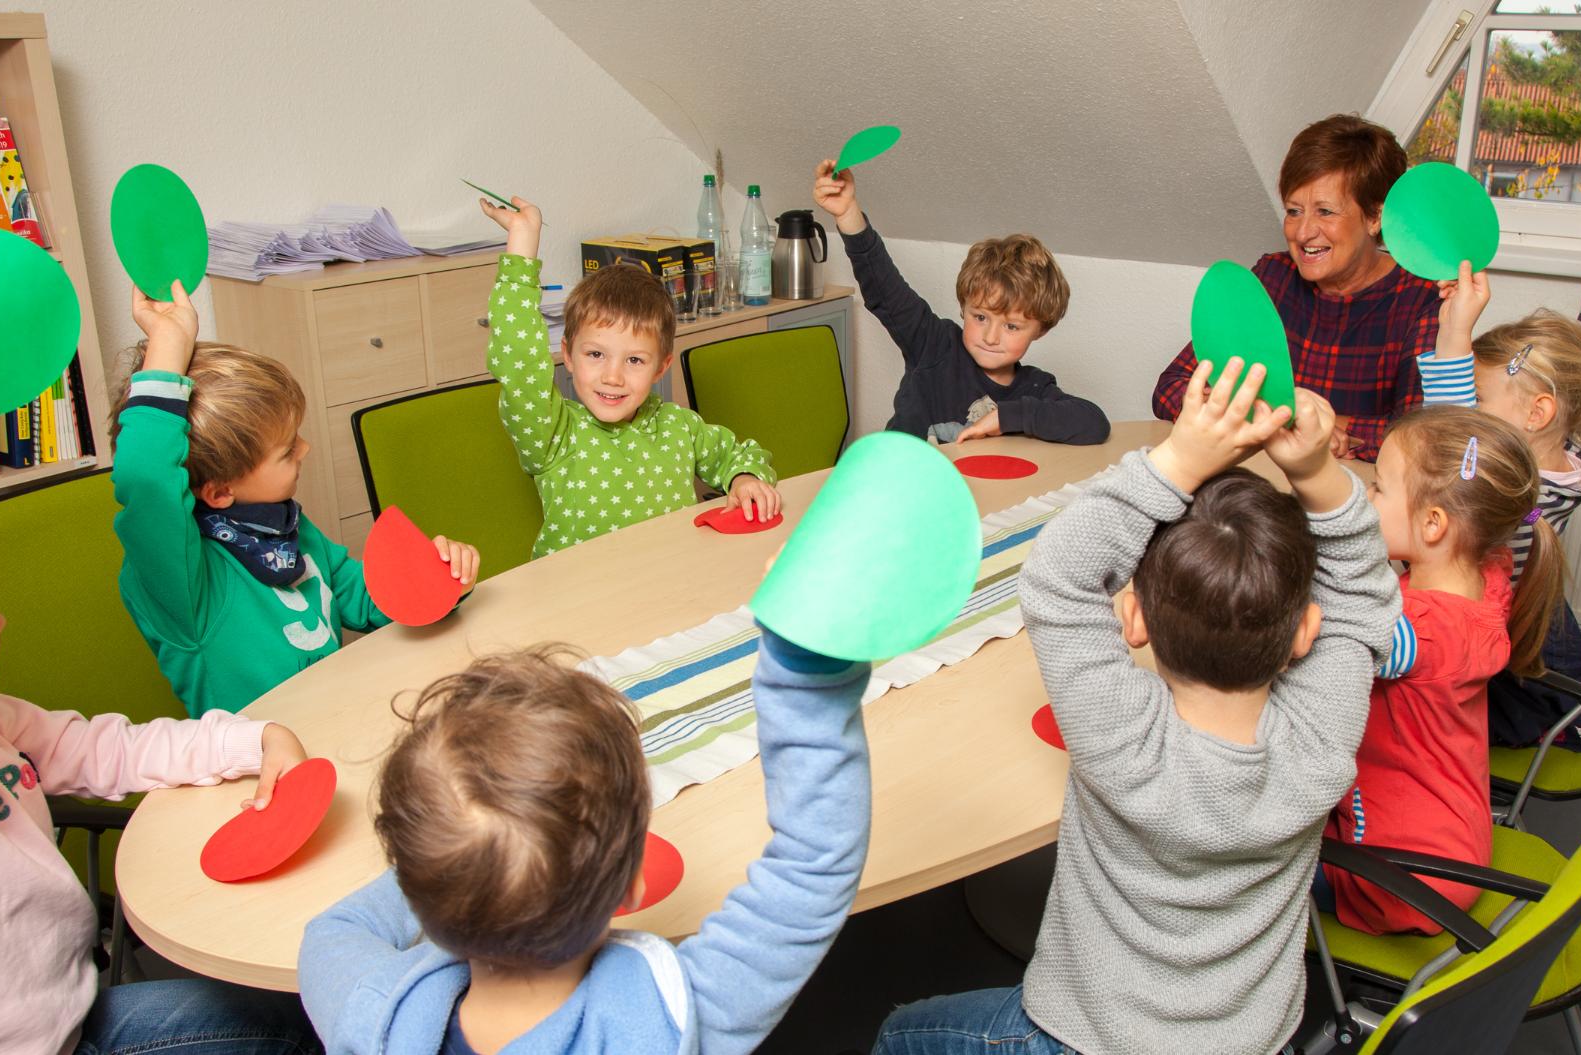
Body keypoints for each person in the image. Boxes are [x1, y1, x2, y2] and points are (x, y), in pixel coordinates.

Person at [873, 361, 1398, 1054]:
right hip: (1255, 1043)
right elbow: (1363, 596)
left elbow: (1058, 574)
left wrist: (1179, 457)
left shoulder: (1121, 737)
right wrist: (1317, 473)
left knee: (893, 1033)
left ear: (1133, 618)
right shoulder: (1320, 744)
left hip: (1083, 1040)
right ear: (1305, 629)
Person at [0, 359, 318, 1055]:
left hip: (81, 1021)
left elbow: (112, 748)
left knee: (316, 1014)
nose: (1, 624)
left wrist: (255, 741)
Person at [299, 627, 872, 1053]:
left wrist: (457, 850)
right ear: (633, 886)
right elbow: (811, 868)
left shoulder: (371, 1014)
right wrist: (805, 664)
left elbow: (332, 933)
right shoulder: (670, 1022)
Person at [111, 281, 479, 716]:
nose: (304, 450)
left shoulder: (281, 524)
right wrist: (169, 344)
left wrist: (436, 580)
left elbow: (365, 598)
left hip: (339, 727)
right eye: (287, 450)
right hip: (261, 768)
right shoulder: (184, 583)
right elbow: (145, 478)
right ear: (220, 490)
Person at [1416, 163, 1581, 749]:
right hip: (1548, 640)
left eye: (1481, 400)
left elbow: (1449, 437)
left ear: (1537, 413)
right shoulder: (1571, 449)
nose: (1471, 411)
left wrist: (1454, 332)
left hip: (1521, 679)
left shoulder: (1515, 488)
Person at [1321, 407, 1563, 934]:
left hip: (1395, 875)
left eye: (1378, 488)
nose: (1367, 497)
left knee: (1230, 867)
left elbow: (1337, 626)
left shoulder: (1417, 636)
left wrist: (1314, 484)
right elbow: (1466, 469)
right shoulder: (1484, 571)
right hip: (1449, 843)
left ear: (1434, 524)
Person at [478, 197, 782, 557]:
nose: (613, 376)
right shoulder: (554, 434)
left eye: (635, 360)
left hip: (667, 591)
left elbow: (738, 455)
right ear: (568, 355)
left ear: (661, 367)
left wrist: (744, 479)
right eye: (595, 354)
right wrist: (522, 248)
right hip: (580, 602)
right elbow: (519, 364)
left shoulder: (678, 426)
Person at [1152, 114, 1442, 461]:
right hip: (1257, 482)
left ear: (1374, 217)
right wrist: (1290, 423)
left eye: (1325, 212)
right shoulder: (1272, 276)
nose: (1302, 233)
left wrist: (1292, 422)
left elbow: (1422, 437)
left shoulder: (1423, 298)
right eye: (1293, 210)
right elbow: (1172, 388)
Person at [811, 160, 1110, 445]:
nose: (991, 337)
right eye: (980, 317)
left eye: (1011, 326)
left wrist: (1008, 418)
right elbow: (883, 287)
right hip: (901, 486)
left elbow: (1095, 423)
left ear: (1040, 329)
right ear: (964, 307)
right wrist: (849, 214)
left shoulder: (1034, 388)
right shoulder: (933, 345)